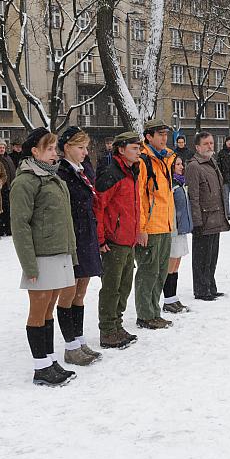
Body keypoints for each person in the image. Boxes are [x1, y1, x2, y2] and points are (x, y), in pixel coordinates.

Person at [10, 127, 78, 387]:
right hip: (40, 256)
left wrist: (70, 253)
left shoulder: (53, 178)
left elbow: (65, 221)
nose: (54, 153)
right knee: (38, 310)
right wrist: (29, 264)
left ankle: (49, 360)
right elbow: (20, 225)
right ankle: (40, 367)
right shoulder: (25, 181)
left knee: (49, 309)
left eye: (54, 148)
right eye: (49, 149)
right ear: (34, 152)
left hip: (58, 252)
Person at [55, 127, 103, 365]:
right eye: (80, 147)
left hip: (87, 235)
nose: (85, 152)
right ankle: (70, 345)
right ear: (66, 148)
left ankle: (79, 338)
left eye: (86, 147)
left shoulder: (84, 170)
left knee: (81, 291)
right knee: (69, 291)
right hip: (72, 237)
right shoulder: (61, 172)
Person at [93, 131, 142, 349]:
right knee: (111, 287)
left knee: (124, 286)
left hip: (128, 239)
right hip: (114, 241)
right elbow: (99, 207)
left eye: (139, 147)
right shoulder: (111, 173)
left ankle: (117, 324)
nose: (139, 151)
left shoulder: (133, 171)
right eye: (134, 147)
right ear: (121, 150)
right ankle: (107, 330)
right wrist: (101, 239)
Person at [133, 119, 176, 330]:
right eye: (160, 134)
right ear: (148, 137)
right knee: (147, 273)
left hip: (165, 225)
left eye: (165, 134)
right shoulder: (143, 161)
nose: (164, 138)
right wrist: (141, 228)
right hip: (150, 227)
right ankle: (145, 314)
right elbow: (139, 197)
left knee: (160, 272)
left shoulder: (164, 159)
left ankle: (154, 311)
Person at [186, 132, 230, 300]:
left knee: (212, 256)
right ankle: (201, 289)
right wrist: (196, 222)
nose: (210, 146)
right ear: (197, 147)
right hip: (204, 219)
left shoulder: (212, 162)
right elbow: (193, 196)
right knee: (202, 257)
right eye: (206, 144)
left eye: (211, 143)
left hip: (215, 217)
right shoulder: (194, 166)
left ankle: (210, 285)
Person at [164, 155, 192, 313]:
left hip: (181, 229)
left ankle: (173, 297)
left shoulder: (180, 183)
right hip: (173, 230)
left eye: (182, 164)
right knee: (171, 263)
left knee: (177, 264)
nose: (181, 167)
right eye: (178, 164)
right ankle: (168, 298)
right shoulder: (171, 185)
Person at [0, 138, 17, 236]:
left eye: (3, 147)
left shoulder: (8, 157)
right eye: (0, 147)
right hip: (0, 187)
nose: (2, 149)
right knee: (0, 209)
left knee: (9, 209)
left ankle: (8, 228)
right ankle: (0, 228)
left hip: (10, 186)